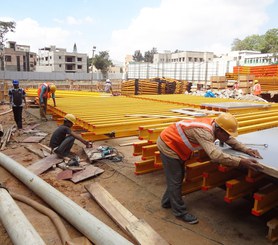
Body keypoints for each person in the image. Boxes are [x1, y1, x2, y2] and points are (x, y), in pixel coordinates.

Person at [157, 113, 263, 225]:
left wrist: (246, 150)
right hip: (168, 145)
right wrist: (241, 161)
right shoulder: (204, 132)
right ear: (219, 130)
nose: (228, 137)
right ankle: (180, 212)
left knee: (176, 178)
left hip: (176, 144)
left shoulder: (217, 127)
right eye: (227, 134)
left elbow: (230, 140)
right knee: (176, 179)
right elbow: (215, 155)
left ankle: (167, 202)